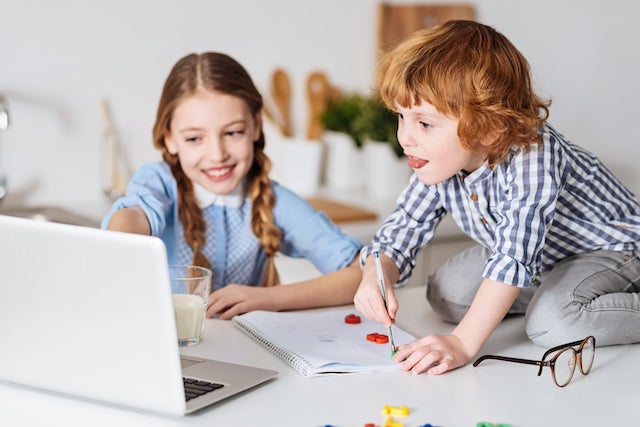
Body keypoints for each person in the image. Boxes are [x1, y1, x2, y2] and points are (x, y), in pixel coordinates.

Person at [354, 20, 640, 376]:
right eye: (400, 117)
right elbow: (402, 229)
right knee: (445, 293)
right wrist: (374, 274)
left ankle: (557, 302)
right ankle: (547, 293)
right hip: (545, 258)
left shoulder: (535, 154)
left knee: (553, 324)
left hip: (610, 249)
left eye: (424, 123)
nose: (405, 137)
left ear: (489, 127)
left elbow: (513, 255)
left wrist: (462, 342)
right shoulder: (439, 162)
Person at [102, 52, 362, 320]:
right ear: (169, 139)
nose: (217, 154)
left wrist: (265, 298)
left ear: (256, 126)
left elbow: (361, 274)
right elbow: (132, 215)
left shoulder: (271, 200)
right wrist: (120, 245)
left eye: (233, 132)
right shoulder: (159, 182)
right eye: (194, 138)